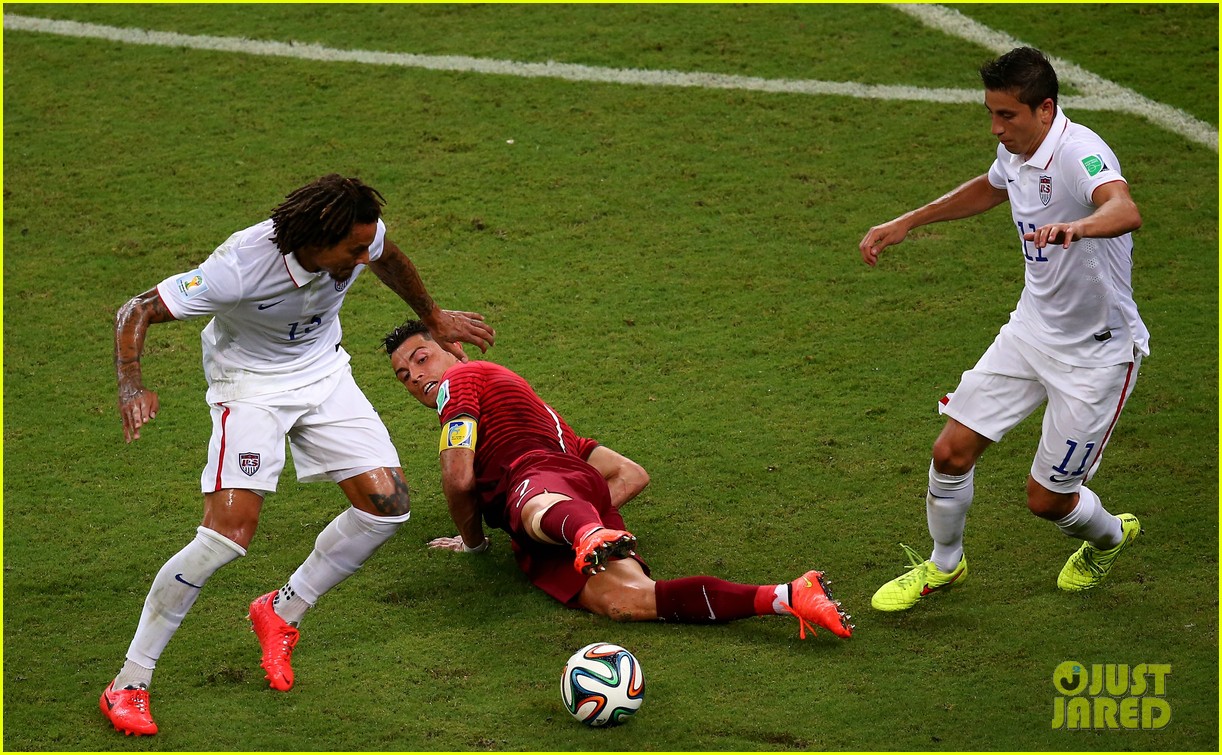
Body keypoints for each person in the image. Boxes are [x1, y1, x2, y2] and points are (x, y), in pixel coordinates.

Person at [101, 175, 496, 736]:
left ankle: (281, 611)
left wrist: (432, 315)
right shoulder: (237, 265)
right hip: (250, 387)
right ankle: (128, 682)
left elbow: (389, 257)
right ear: (315, 239)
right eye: (353, 250)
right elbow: (135, 309)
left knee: (388, 506)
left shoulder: (361, 239)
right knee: (225, 537)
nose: (365, 255)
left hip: (323, 372)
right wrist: (131, 386)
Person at [858, 47, 1147, 612]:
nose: (996, 128)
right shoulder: (1017, 150)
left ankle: (1110, 538)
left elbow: (1123, 208)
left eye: (1006, 115)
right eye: (991, 114)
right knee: (951, 452)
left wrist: (1079, 228)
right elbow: (993, 186)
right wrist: (909, 221)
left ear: (1045, 109)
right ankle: (945, 565)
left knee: (1047, 500)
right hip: (1030, 333)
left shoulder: (1078, 151)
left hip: (1097, 357)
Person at [382, 319, 853, 639]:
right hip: (570, 497)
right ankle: (788, 596)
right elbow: (630, 474)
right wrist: (580, 515)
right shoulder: (543, 415)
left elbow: (458, 475)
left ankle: (584, 531)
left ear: (453, 349)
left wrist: (475, 543)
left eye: (422, 358)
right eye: (404, 374)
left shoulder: (459, 382)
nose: (416, 376)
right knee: (627, 601)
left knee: (539, 504)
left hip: (541, 488)